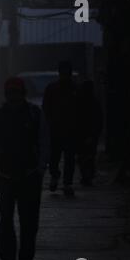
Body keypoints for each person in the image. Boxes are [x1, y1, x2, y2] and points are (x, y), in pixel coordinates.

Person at [0, 77, 49, 260]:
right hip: (5, 176)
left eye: (16, 92)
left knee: (29, 220)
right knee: (6, 220)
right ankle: (7, 259)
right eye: (10, 92)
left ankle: (26, 259)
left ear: (22, 93)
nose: (13, 96)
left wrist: (41, 167)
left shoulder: (34, 114)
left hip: (30, 176)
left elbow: (44, 141)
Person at [43, 61, 78, 197]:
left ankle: (65, 181)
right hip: (58, 128)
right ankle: (59, 178)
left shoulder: (71, 89)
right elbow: (46, 108)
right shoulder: (57, 89)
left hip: (65, 129)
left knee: (65, 157)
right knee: (57, 157)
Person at [76, 80, 103, 186]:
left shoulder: (80, 101)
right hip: (87, 133)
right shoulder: (93, 102)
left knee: (84, 156)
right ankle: (87, 175)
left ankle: (86, 175)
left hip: (83, 133)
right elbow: (98, 120)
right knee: (88, 155)